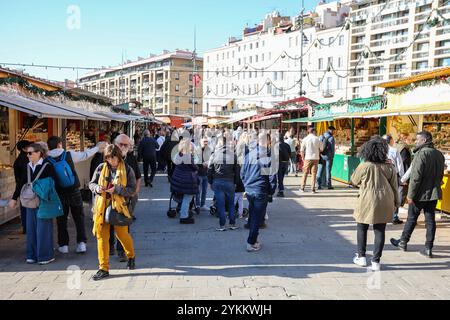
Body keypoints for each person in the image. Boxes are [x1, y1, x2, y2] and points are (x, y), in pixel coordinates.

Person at [391, 131, 445, 258]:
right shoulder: (439, 154)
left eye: (417, 140)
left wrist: (410, 195)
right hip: (433, 193)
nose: (415, 142)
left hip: (419, 194)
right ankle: (428, 247)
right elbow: (440, 175)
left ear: (425, 141)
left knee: (411, 219)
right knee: (430, 221)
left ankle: (403, 242)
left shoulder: (421, 154)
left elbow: (415, 178)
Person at [47, 136, 105, 255]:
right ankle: (81, 244)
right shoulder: (68, 154)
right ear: (59, 144)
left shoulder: (46, 160)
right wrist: (97, 148)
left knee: (61, 220)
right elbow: (85, 155)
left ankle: (63, 245)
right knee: (79, 217)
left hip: (59, 193)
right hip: (74, 191)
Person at [351, 137, 399, 271]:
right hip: (385, 200)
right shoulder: (389, 166)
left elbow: (354, 180)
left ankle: (361, 257)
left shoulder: (365, 165)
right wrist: (397, 202)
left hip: (366, 199)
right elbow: (395, 186)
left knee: (362, 227)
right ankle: (376, 261)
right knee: (380, 230)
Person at [90, 145, 136, 281]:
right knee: (102, 237)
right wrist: (98, 188)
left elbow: (132, 190)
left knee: (122, 235)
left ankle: (131, 255)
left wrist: (116, 189)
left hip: (119, 207)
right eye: (108, 158)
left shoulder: (127, 169)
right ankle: (103, 268)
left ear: (119, 156)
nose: (111, 161)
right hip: (102, 206)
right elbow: (91, 184)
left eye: (113, 157)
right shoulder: (100, 168)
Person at [9, 143, 59, 265]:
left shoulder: (48, 166)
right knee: (30, 229)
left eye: (30, 153)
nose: (28, 155)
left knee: (43, 229)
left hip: (44, 201)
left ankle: (45, 256)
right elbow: (21, 183)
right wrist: (14, 198)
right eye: (27, 153)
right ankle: (31, 255)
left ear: (39, 153)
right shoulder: (27, 166)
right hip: (30, 201)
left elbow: (54, 183)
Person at [241, 131, 277, 252]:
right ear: (267, 142)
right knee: (257, 218)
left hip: (251, 189)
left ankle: (254, 240)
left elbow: (242, 173)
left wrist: (246, 185)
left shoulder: (249, 155)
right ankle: (251, 242)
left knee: (253, 215)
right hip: (260, 189)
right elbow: (272, 177)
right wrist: (271, 191)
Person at [110, 134, 141, 262]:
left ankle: (121, 250)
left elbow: (138, 177)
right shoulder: (106, 158)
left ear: (129, 146)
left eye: (125, 145)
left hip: (127, 197)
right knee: (109, 221)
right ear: (114, 143)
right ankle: (110, 245)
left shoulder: (131, 158)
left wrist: (135, 192)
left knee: (124, 223)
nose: (122, 147)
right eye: (120, 144)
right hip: (110, 197)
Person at [208, 133, 240, 231]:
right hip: (229, 181)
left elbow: (209, 170)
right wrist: (236, 182)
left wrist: (210, 182)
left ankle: (222, 225)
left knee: (221, 204)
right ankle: (232, 224)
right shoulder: (233, 155)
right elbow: (237, 171)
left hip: (218, 181)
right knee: (231, 204)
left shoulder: (214, 155)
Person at [171, 138, 199, 224]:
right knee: (188, 198)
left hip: (179, 179)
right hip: (186, 180)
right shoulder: (187, 155)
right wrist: (198, 167)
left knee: (186, 198)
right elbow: (194, 167)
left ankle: (184, 213)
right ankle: (184, 216)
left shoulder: (179, 154)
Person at [382, 134, 405, 225]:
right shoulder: (394, 150)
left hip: (382, 175)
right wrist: (402, 178)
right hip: (393, 174)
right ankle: (394, 216)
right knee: (395, 195)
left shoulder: (380, 150)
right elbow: (400, 165)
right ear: (390, 141)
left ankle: (384, 215)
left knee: (384, 194)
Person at [13, 140, 32, 234]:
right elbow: (23, 177)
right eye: (29, 146)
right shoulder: (25, 160)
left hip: (22, 188)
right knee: (27, 208)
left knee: (24, 208)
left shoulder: (19, 160)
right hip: (26, 187)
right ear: (24, 149)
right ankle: (27, 227)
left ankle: (26, 227)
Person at [300, 127, 323, 193]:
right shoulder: (317, 139)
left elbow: (302, 150)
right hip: (316, 158)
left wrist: (303, 158)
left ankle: (302, 187)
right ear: (314, 132)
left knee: (305, 173)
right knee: (314, 173)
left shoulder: (305, 139)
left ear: (308, 132)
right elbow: (321, 149)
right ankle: (313, 188)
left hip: (308, 157)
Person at [195, 137, 212, 211]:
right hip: (198, 173)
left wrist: (209, 162)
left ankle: (202, 204)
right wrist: (202, 164)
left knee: (204, 190)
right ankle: (198, 205)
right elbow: (194, 162)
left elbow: (211, 159)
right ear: (200, 142)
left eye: (206, 141)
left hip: (206, 173)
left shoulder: (209, 150)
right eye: (204, 141)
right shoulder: (197, 150)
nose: (205, 143)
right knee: (198, 191)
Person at [317, 126, 336, 190]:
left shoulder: (321, 136)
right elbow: (332, 148)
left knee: (320, 170)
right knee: (328, 171)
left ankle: (318, 184)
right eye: (333, 130)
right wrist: (332, 156)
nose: (333, 132)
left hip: (322, 156)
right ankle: (329, 185)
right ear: (330, 130)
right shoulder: (331, 138)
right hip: (328, 156)